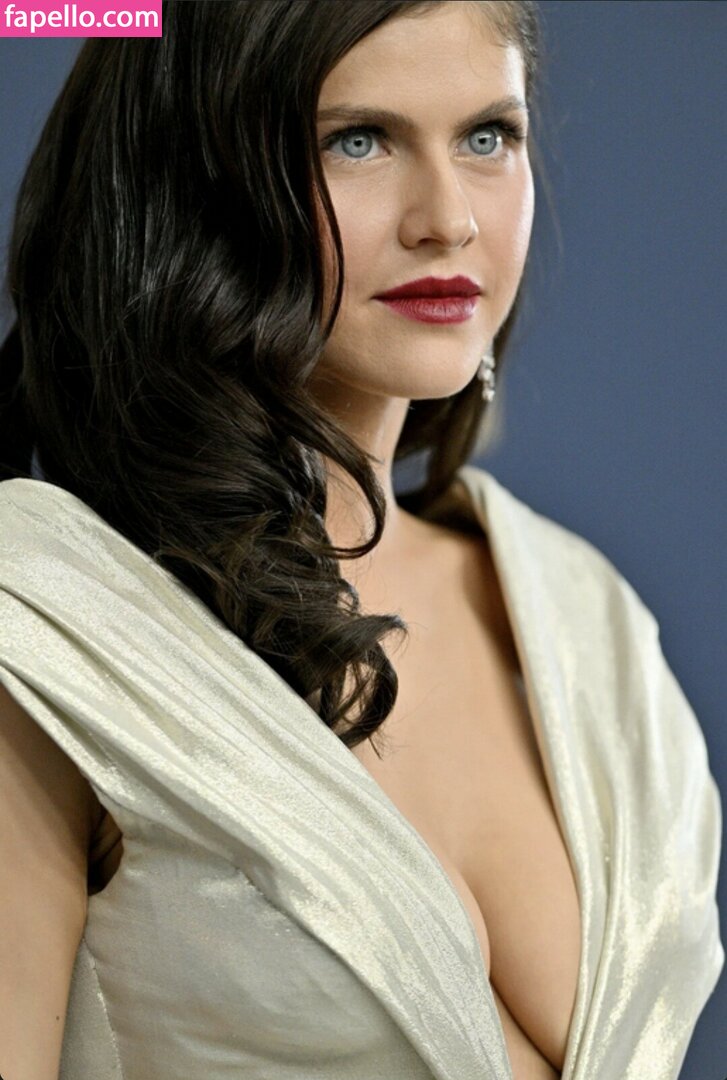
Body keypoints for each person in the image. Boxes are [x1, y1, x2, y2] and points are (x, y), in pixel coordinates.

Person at [0, 2, 722, 1078]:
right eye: (358, 141)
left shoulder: (587, 612)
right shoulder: (44, 621)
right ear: (191, 182)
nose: (447, 218)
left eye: (487, 135)